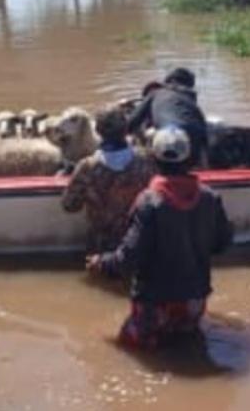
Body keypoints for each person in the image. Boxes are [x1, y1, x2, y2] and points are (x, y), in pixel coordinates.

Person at [86, 127, 234, 350]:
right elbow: (223, 243)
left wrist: (101, 263)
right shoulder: (210, 198)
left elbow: (129, 258)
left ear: (155, 160)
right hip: (194, 301)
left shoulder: (149, 202)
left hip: (154, 303)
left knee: (126, 349)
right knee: (186, 347)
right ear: (190, 159)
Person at [61, 106, 156, 254]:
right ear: (126, 130)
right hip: (139, 245)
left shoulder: (87, 167)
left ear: (98, 131)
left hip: (100, 249)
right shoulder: (146, 161)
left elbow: (69, 206)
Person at [127, 68, 209, 167]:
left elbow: (132, 121)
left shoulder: (156, 93)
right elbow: (203, 125)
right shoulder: (190, 99)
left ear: (168, 81)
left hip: (167, 138)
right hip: (194, 142)